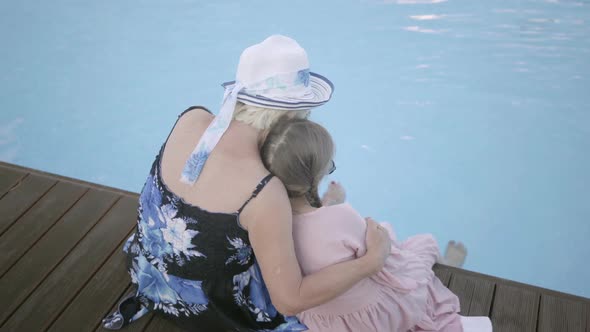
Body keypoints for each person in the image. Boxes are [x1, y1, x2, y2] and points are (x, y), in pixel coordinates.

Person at [101, 35, 391, 331]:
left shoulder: (192, 117)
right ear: (292, 114)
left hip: (148, 272)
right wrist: (370, 262)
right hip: (205, 306)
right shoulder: (262, 191)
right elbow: (289, 300)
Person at [260, 117, 493, 332]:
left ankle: (325, 205)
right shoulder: (343, 217)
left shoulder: (270, 224)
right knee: (419, 245)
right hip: (372, 319)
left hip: (326, 323)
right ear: (317, 174)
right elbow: (387, 265)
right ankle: (449, 266)